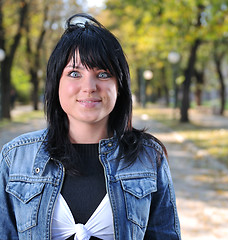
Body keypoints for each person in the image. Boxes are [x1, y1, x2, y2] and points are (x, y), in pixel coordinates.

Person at [0, 13, 181, 240]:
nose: (89, 87)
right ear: (56, 83)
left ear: (119, 86)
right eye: (75, 73)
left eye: (103, 74)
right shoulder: (15, 157)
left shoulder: (148, 157)